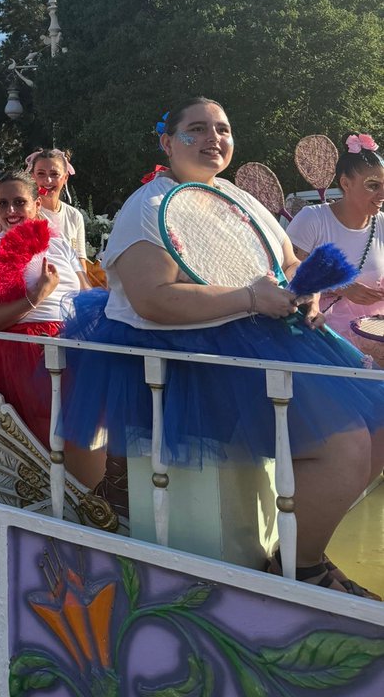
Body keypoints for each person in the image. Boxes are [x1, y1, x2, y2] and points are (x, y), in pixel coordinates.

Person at [62, 97, 384, 597]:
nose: (214, 138)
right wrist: (252, 296)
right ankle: (300, 569)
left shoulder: (239, 198)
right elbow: (153, 301)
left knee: (377, 427)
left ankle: (299, 550)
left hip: (267, 340)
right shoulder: (144, 207)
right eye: (197, 129)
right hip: (196, 360)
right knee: (344, 447)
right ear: (167, 142)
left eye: (223, 129)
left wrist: (309, 293)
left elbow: (290, 264)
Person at [0, 174, 102, 483]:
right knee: (46, 451)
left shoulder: (62, 246)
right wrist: (36, 297)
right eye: (3, 204)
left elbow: (87, 301)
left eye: (19, 202)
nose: (10, 211)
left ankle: (90, 515)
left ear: (37, 204)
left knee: (87, 439)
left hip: (72, 347)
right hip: (23, 354)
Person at [288, 135, 384, 359]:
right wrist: (342, 287)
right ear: (345, 183)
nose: (382, 194)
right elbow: (288, 271)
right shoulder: (313, 219)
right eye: (373, 186)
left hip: (376, 336)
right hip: (324, 335)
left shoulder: (382, 223)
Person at [26, 148, 96, 276]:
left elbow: (80, 262)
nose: (47, 180)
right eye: (41, 174)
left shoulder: (75, 216)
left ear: (65, 178)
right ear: (32, 177)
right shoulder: (26, 213)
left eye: (54, 174)